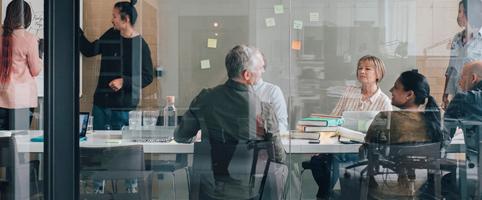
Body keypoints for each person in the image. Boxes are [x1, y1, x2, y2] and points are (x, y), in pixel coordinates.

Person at [174, 45, 285, 199]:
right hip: (249, 192)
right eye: (259, 68)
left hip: (208, 190)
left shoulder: (205, 99)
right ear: (246, 74)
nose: (262, 72)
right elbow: (278, 156)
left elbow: (180, 136)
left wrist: (203, 133)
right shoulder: (263, 109)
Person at [309, 55, 391, 199]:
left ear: (378, 73)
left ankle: (325, 196)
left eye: (367, 68)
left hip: (363, 151)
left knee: (332, 160)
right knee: (317, 160)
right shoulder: (350, 92)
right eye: (360, 68)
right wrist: (321, 143)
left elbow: (383, 135)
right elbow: (334, 118)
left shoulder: (384, 102)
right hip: (338, 144)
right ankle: (327, 195)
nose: (362, 71)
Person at [360, 70, 448, 198]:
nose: (391, 90)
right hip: (423, 190)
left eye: (396, 87)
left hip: (385, 190)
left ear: (409, 94)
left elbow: (368, 144)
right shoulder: (433, 121)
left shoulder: (386, 118)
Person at [79, 0, 153, 130]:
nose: (111, 20)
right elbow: (89, 50)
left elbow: (147, 77)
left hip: (122, 109)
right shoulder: (111, 35)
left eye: (114, 16)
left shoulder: (140, 45)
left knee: (119, 149)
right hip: (101, 105)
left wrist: (124, 81)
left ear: (126, 19)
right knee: (97, 147)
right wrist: (75, 28)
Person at [0, 0, 42, 130]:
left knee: (2, 142)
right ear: (27, 17)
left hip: (1, 97)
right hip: (22, 99)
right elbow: (35, 70)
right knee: (19, 144)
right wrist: (40, 54)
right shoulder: (29, 39)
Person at [253, 52, 288, 133]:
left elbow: (282, 124)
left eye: (255, 67)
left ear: (263, 69)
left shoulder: (273, 91)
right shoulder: (235, 91)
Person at [442, 0, 468, 109]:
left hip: (474, 99)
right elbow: (451, 69)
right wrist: (445, 94)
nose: (459, 15)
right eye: (458, 11)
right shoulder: (457, 38)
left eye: (461, 11)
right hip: (457, 97)